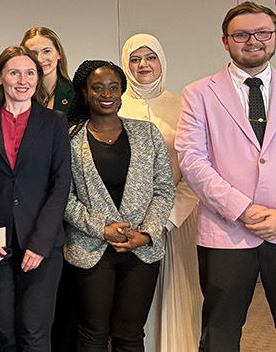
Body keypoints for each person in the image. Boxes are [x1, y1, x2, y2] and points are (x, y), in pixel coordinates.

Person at [176, 1, 276, 352]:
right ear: (225, 41)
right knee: (219, 334)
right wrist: (241, 209)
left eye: (262, 32)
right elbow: (192, 158)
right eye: (241, 34)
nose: (253, 40)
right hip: (227, 230)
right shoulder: (199, 93)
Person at [62, 60, 176, 352]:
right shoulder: (68, 139)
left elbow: (164, 189)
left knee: (130, 332)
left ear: (122, 91)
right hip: (90, 248)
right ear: (84, 93)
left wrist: (147, 233)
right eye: (97, 88)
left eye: (114, 87)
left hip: (141, 249)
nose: (106, 93)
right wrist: (102, 228)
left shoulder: (147, 133)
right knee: (93, 332)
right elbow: (63, 197)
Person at [0, 46, 70, 352]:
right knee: (4, 333)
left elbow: (60, 184)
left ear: (38, 78)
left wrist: (40, 244)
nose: (22, 80)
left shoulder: (54, 122)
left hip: (41, 246)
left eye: (30, 73)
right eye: (14, 72)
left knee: (34, 332)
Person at [118, 34, 203, 352]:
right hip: (129, 223)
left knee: (177, 296)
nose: (143, 65)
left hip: (175, 220)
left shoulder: (183, 105)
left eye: (150, 57)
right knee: (134, 304)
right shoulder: (116, 105)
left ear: (162, 61)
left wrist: (165, 219)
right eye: (135, 59)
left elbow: (197, 167)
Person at [19, 27, 74, 111]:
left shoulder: (75, 94)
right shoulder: (16, 93)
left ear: (58, 53)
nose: (40, 59)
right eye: (33, 53)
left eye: (46, 51)